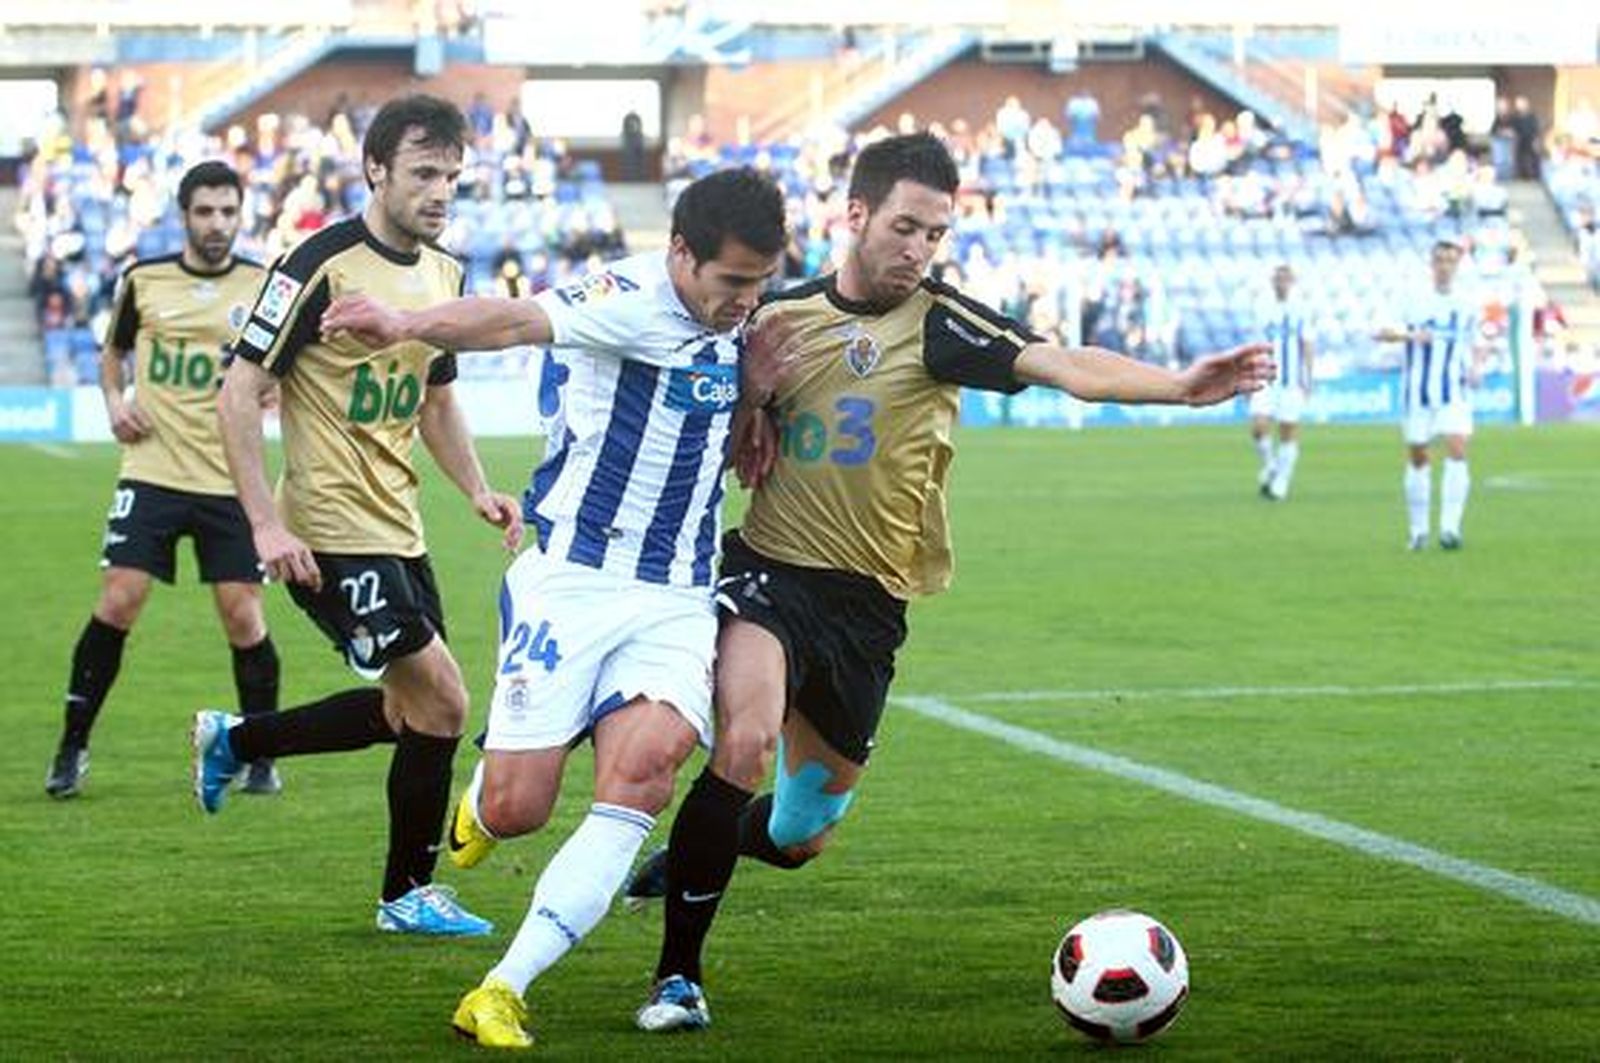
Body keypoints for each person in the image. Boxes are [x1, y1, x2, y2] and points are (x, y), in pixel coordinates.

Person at [624, 132, 1273, 1032]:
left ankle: (688, 857)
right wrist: (747, 402)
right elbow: (687, 403)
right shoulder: (773, 319)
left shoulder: (941, 323)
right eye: (904, 227)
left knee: (799, 833)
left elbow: (1065, 365)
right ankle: (676, 981)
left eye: (935, 233)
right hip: (770, 576)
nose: (919, 249)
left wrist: (1180, 387)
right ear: (854, 215)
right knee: (744, 739)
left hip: (869, 608)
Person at [317, 167, 787, 1049]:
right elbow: (511, 316)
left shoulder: (748, 316)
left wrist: (756, 396)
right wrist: (408, 322)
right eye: (731, 284)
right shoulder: (625, 295)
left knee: (646, 773)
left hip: (679, 595)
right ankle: (484, 810)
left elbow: (727, 399)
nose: (745, 302)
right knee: (521, 806)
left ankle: (502, 987)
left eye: (759, 284)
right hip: (571, 582)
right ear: (680, 253)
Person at [202, 94, 523, 936]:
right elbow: (237, 393)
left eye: (452, 175)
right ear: (375, 169)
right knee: (447, 702)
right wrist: (267, 524)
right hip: (329, 531)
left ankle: (233, 743)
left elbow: (437, 400)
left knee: (406, 712)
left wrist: (477, 488)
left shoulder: (445, 274)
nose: (441, 190)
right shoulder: (317, 263)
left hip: (401, 528)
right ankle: (405, 895)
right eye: (423, 172)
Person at [44, 161, 279, 800]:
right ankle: (72, 746)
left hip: (231, 475)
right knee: (120, 598)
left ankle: (260, 754)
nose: (217, 223)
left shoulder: (264, 285)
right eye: (205, 212)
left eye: (228, 211)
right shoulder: (143, 280)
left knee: (243, 615)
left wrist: (274, 389)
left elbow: (285, 366)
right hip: (151, 467)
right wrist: (115, 403)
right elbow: (113, 355)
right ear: (184, 216)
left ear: (240, 213)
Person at [1374, 240, 1486, 550]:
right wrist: (1410, 335)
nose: (1445, 267)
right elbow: (1379, 331)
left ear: (1458, 265)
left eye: (1450, 261)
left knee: (1457, 446)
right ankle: (1418, 531)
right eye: (1439, 261)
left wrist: (1477, 366)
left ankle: (1450, 528)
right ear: (1431, 264)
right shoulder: (1413, 300)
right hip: (1417, 394)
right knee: (1419, 457)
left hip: (1453, 391)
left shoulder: (1467, 303)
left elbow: (1478, 341)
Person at [1250, 264, 1315, 501]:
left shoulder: (1301, 309)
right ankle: (1270, 464)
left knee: (1288, 431)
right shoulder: (1261, 308)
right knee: (1258, 427)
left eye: (1286, 279)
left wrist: (1308, 378)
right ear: (1272, 281)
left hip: (1291, 381)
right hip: (1266, 379)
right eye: (1278, 278)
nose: (1282, 282)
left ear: (1292, 282)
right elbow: (1254, 345)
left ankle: (1281, 482)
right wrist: (1250, 374)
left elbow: (1307, 344)